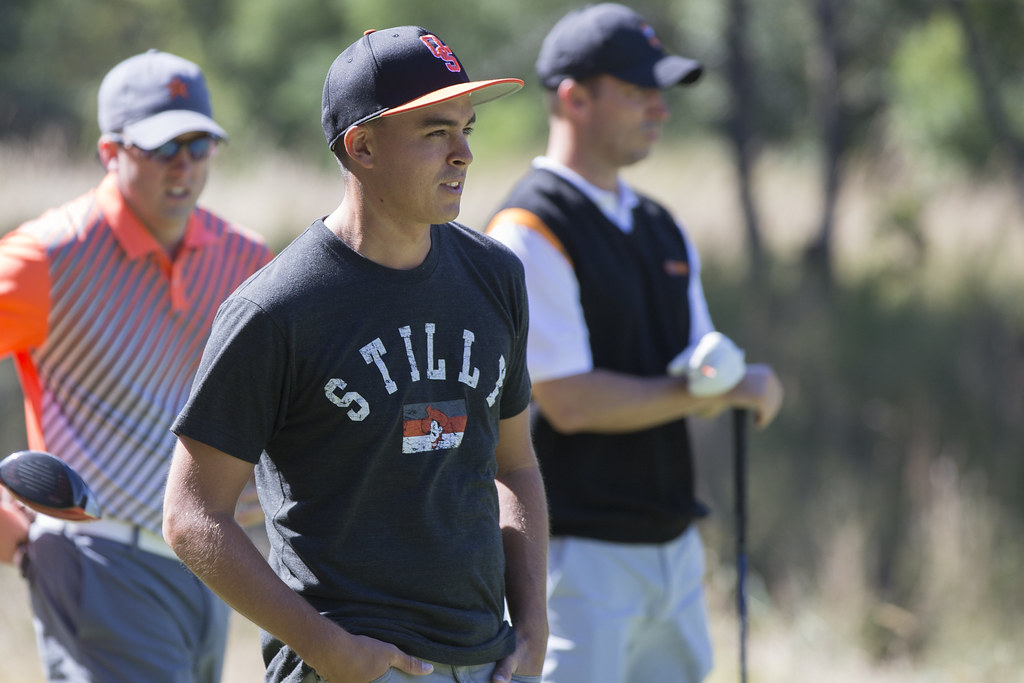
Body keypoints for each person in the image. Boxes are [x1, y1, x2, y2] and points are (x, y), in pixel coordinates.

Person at [162, 26, 549, 683]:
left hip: (488, 662)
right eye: (434, 132)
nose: (462, 155)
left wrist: (534, 625)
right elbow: (191, 514)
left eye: (466, 130)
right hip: (351, 669)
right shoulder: (276, 310)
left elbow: (515, 465)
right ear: (362, 145)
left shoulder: (495, 276)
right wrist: (325, 645)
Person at [485, 4, 784, 682]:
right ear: (573, 97)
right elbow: (571, 400)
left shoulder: (661, 225)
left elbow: (697, 372)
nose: (660, 108)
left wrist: (729, 379)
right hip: (572, 553)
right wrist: (719, 389)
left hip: (673, 544)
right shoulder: (530, 226)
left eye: (662, 92)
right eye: (638, 90)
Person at [0, 49, 273, 681]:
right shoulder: (48, 256)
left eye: (198, 145)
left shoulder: (245, 258)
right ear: (110, 152)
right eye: (161, 148)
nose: (184, 165)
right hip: (100, 562)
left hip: (213, 564)